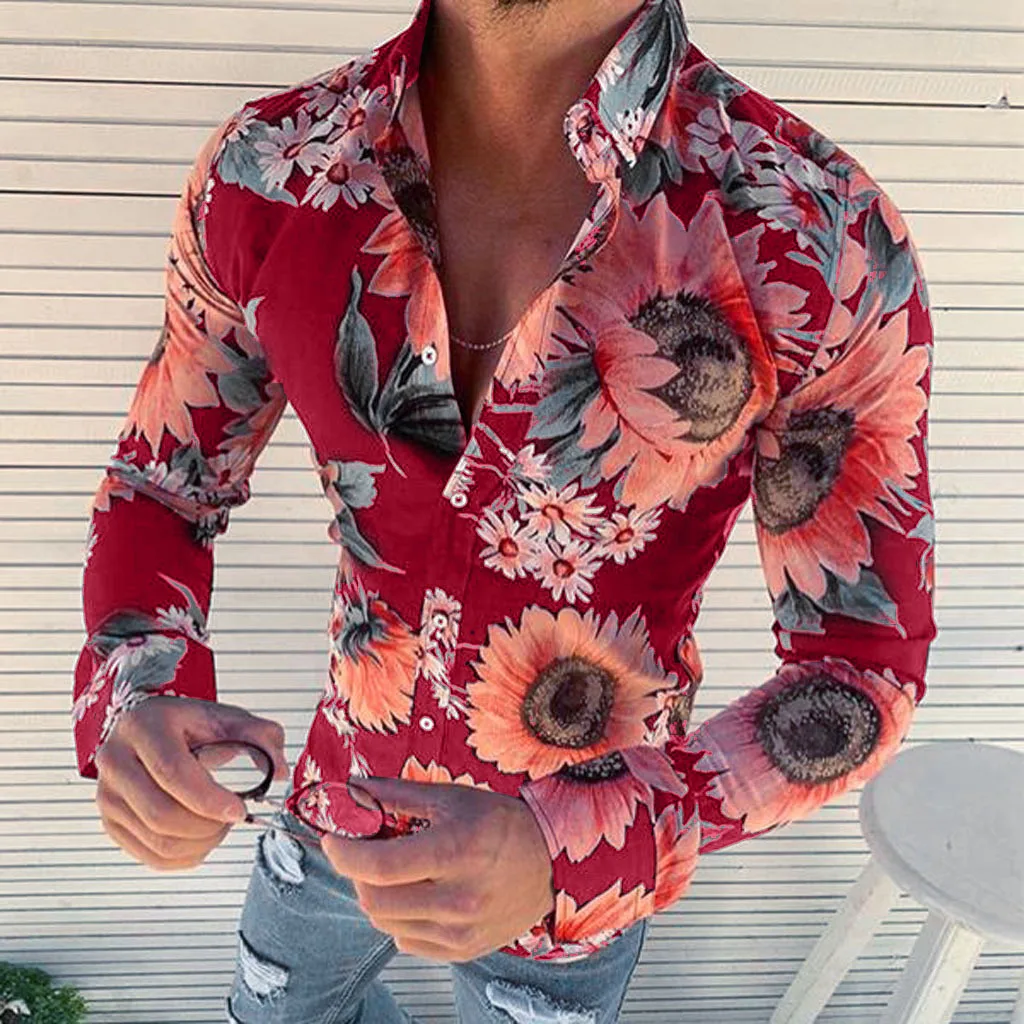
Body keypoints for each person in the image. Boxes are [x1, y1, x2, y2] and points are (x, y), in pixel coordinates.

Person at [71, 0, 937, 1020]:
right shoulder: (270, 169)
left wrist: (578, 847)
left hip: (575, 888)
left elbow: (859, 663)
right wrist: (139, 685)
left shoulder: (814, 231)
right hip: (333, 800)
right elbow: (162, 482)